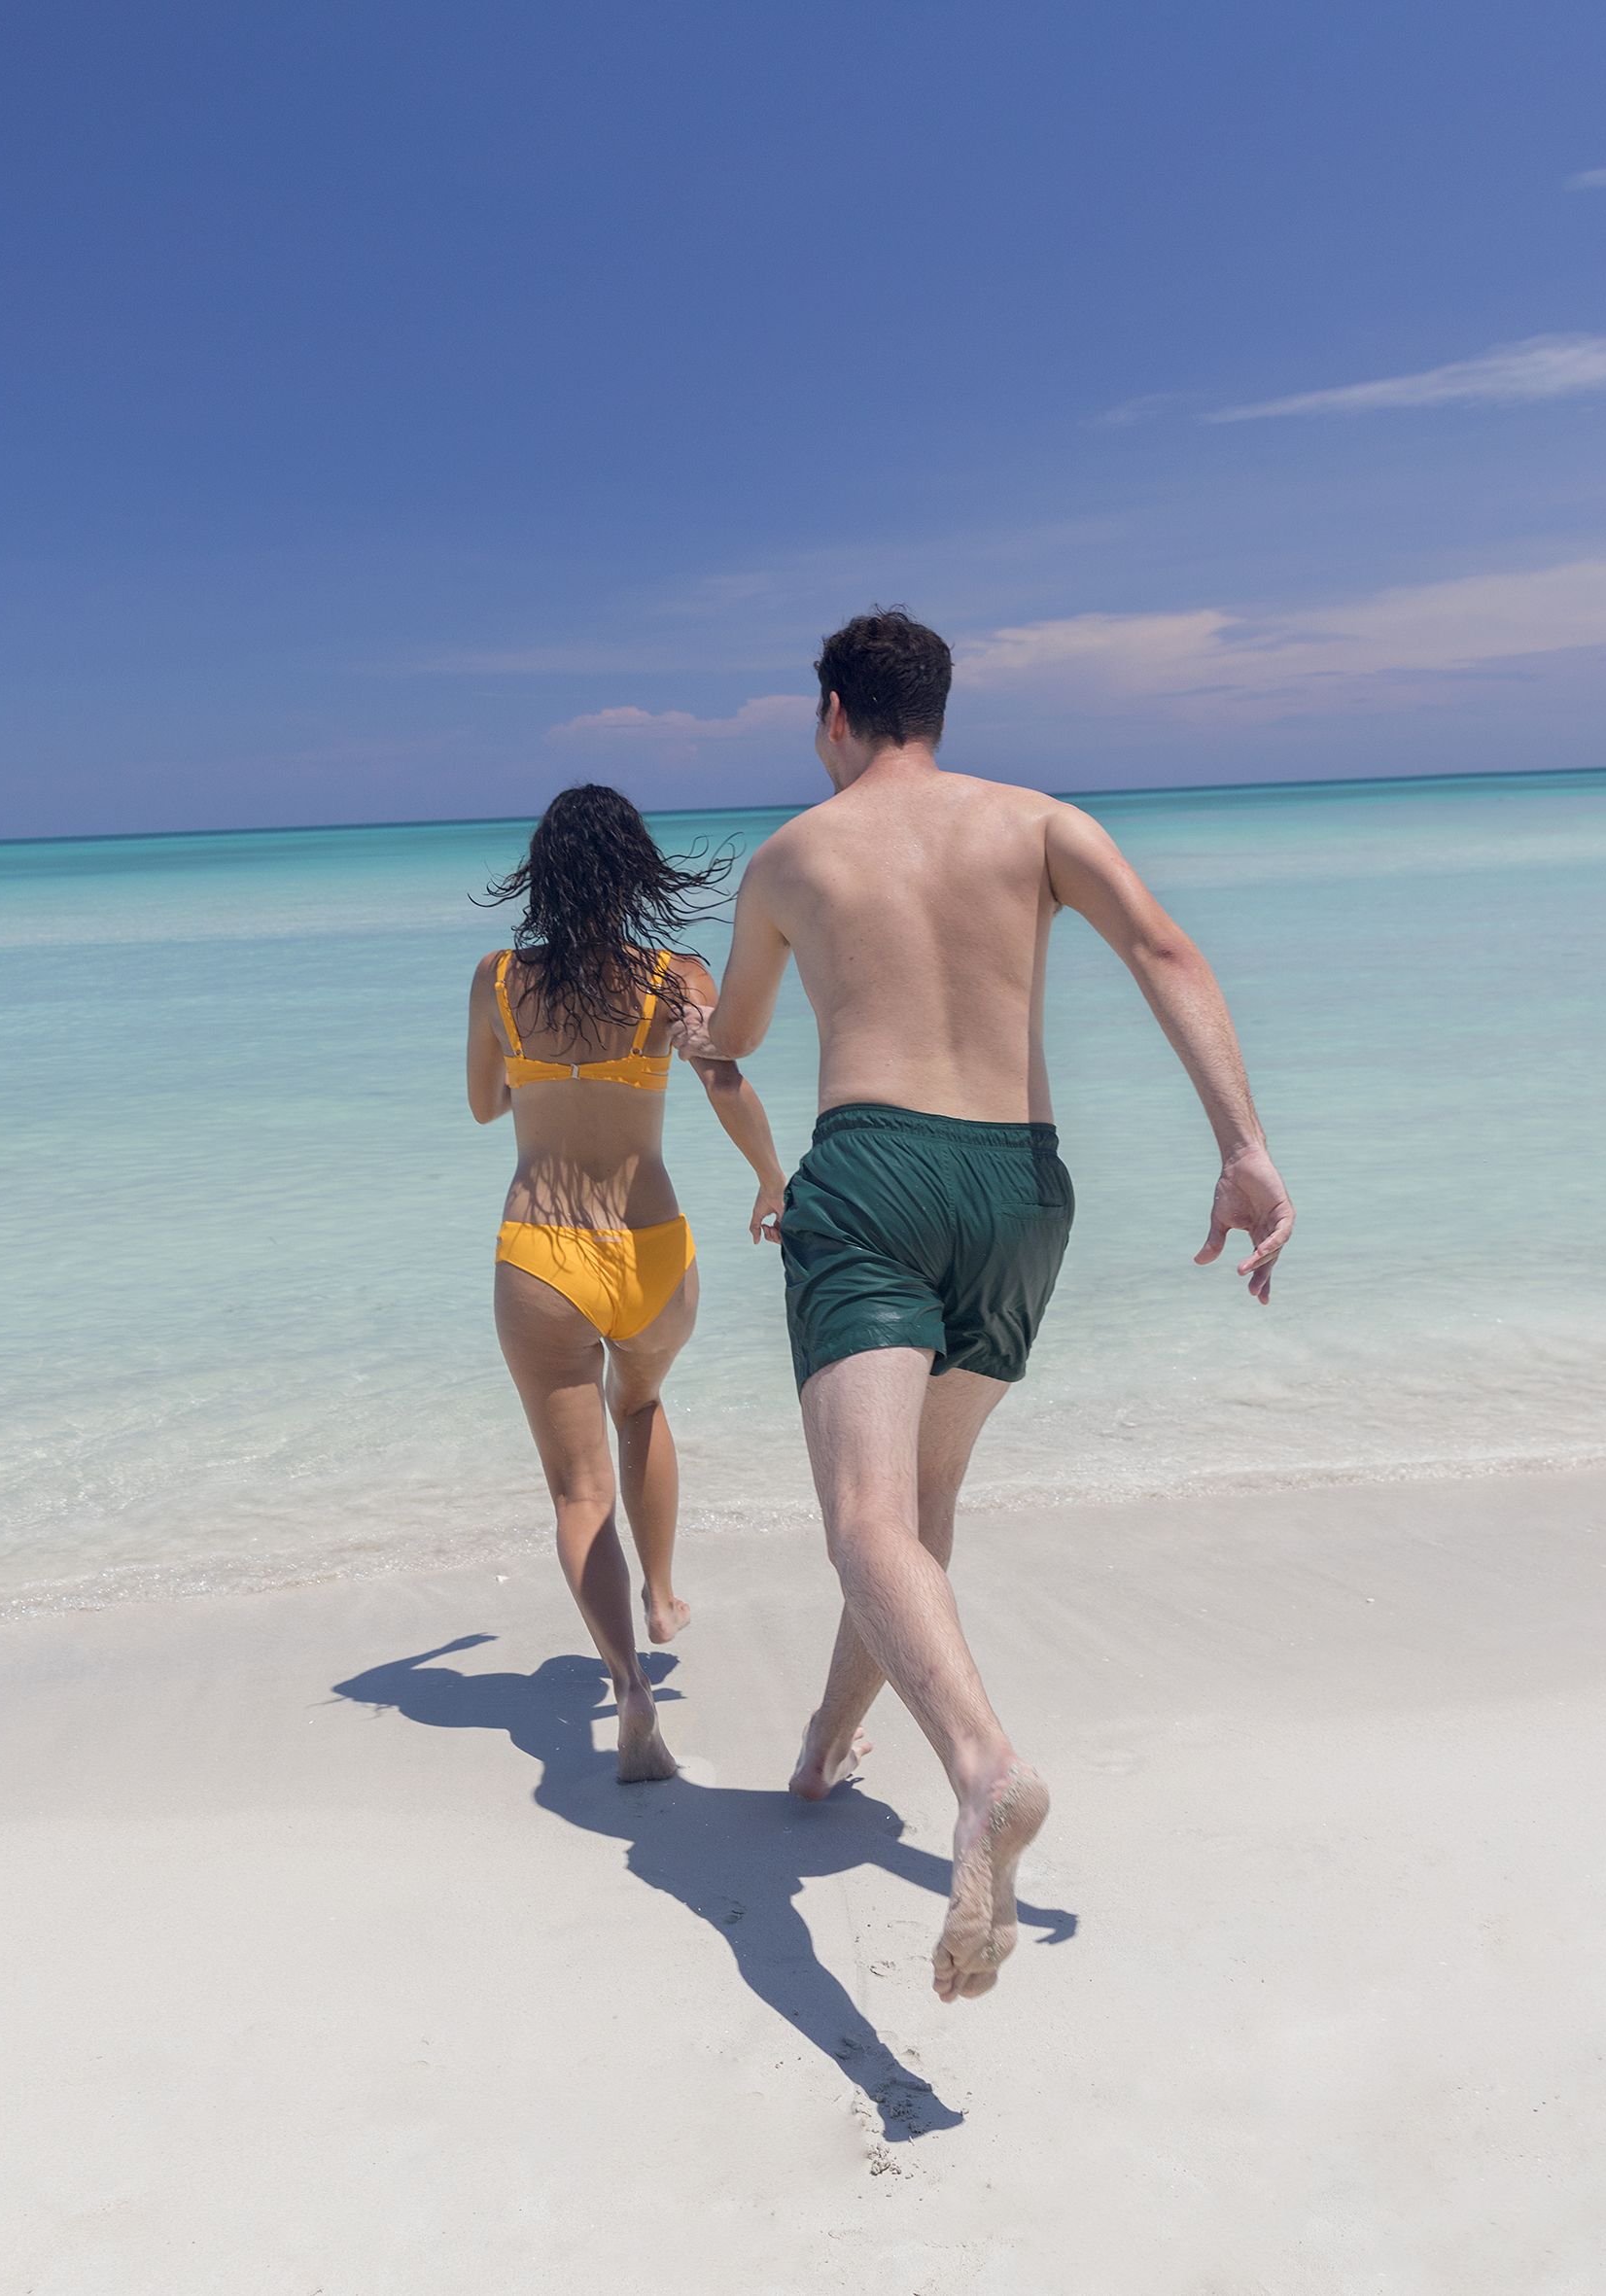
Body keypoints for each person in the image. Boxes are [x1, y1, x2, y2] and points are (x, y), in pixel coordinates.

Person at [675, 609, 1296, 2002]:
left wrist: (698, 1032)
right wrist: (1241, 1148)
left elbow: (747, 1037)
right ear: (935, 712)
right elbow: (1164, 952)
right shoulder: (1039, 822)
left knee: (861, 1518)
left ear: (832, 713)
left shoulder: (791, 855)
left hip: (876, 1173)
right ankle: (828, 1743)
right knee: (913, 1512)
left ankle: (980, 1764)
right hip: (1019, 1188)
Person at [470, 785, 788, 1784]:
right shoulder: (672, 976)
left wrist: (543, 1069)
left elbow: (486, 1106)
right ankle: (659, 1592)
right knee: (641, 1403)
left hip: (541, 1255)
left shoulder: (498, 979)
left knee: (577, 1491)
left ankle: (631, 1688)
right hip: (651, 1247)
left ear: (544, 875)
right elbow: (727, 1081)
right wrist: (774, 1182)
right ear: (634, 870)